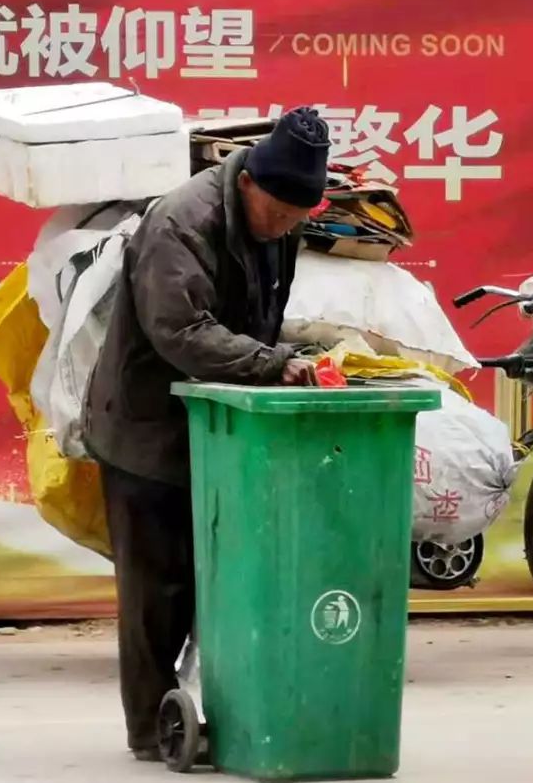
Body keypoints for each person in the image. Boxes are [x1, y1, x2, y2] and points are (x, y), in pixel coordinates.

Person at [83, 107, 331, 760]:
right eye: (278, 212)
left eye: (295, 217)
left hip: (217, 429)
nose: (285, 226)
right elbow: (181, 332)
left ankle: (221, 712)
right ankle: (147, 731)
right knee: (156, 591)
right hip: (146, 429)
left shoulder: (279, 221)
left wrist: (285, 358)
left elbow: (260, 315)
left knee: (220, 580)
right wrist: (273, 365)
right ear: (248, 181)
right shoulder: (180, 224)